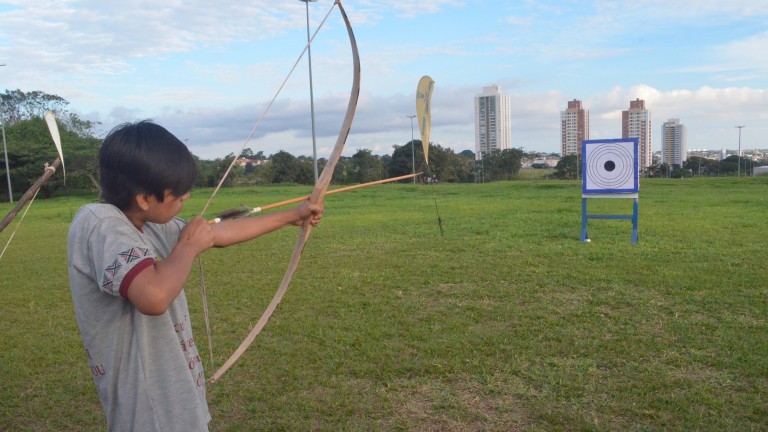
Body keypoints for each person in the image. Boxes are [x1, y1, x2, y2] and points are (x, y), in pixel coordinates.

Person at [67, 120, 322, 431]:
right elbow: (153, 296)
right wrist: (188, 247)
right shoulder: (100, 222)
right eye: (177, 193)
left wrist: (292, 216)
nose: (186, 198)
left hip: (177, 403)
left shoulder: (147, 224)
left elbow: (217, 234)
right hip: (149, 414)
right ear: (145, 198)